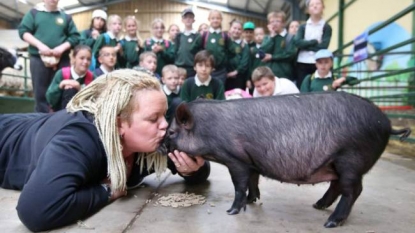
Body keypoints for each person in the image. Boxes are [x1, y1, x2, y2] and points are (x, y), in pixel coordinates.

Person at [0, 69, 210, 232]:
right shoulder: (80, 139)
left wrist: (192, 170)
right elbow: (35, 210)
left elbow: (199, 163)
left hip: (36, 124)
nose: (164, 125)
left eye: (164, 115)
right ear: (119, 124)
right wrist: (108, 192)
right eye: (153, 118)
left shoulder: (154, 138)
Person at [18, 0, 80, 113]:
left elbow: (75, 36)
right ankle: (40, 122)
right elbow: (23, 31)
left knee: (62, 90)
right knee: (40, 93)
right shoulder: (34, 13)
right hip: (38, 59)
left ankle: (60, 119)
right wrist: (40, 45)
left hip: (62, 59)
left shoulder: (65, 17)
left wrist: (61, 48)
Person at [294, 0, 332, 89]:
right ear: (308, 9)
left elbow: (323, 46)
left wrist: (305, 45)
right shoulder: (303, 27)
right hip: (302, 62)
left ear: (323, 7)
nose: (315, 6)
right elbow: (297, 42)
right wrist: (314, 42)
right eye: (312, 5)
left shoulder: (326, 27)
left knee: (317, 87)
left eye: (318, 4)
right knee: (302, 88)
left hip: (318, 62)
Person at [46, 45, 95, 111]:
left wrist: (80, 88)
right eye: (82, 58)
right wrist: (61, 85)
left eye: (88, 59)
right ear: (74, 58)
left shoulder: (92, 77)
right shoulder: (62, 73)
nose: (85, 62)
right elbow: (50, 99)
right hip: (60, 112)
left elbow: (94, 101)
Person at [191, 10, 234, 84]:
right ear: (209, 19)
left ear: (221, 20)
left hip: (220, 71)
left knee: (218, 91)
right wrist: (201, 59)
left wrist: (224, 60)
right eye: (213, 18)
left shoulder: (225, 36)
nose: (215, 20)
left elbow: (232, 51)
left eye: (218, 18)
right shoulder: (204, 35)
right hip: (206, 70)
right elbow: (193, 49)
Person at [261, 11, 296, 82]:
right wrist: (272, 38)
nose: (274, 24)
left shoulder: (290, 37)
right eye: (272, 21)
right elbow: (262, 52)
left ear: (283, 23)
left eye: (277, 21)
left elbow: (290, 55)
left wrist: (272, 57)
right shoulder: (267, 38)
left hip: (285, 75)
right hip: (269, 75)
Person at [226, 19, 250, 91]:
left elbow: (245, 62)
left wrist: (236, 72)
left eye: (239, 29)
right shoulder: (225, 42)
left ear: (242, 31)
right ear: (230, 29)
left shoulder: (244, 46)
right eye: (234, 28)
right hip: (225, 76)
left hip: (239, 78)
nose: (236, 31)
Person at [174, 8, 198, 78]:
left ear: (194, 20)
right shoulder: (179, 35)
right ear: (182, 20)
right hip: (179, 67)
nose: (188, 19)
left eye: (190, 17)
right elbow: (176, 51)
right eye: (185, 17)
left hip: (192, 68)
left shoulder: (197, 36)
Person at [247, 27, 266, 91]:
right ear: (254, 37)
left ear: (265, 35)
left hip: (266, 76)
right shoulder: (252, 50)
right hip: (255, 77)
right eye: (256, 35)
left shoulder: (268, 48)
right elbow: (249, 65)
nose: (259, 36)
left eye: (261, 34)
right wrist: (248, 79)